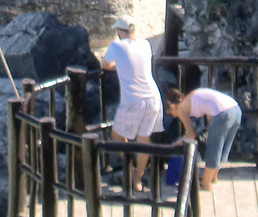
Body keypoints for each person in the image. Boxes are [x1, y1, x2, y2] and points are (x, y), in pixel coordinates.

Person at [99, 15, 162, 189]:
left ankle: (129, 167)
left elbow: (104, 65)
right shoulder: (145, 44)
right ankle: (137, 178)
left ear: (120, 31)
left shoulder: (116, 45)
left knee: (117, 135)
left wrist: (118, 66)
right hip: (153, 97)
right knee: (144, 139)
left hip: (133, 99)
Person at [166, 85, 242, 190]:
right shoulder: (192, 95)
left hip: (223, 113)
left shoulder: (182, 109)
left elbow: (191, 134)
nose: (174, 116)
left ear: (173, 106)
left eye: (170, 113)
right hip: (236, 110)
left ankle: (206, 184)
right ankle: (213, 177)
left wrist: (178, 142)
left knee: (213, 148)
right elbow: (209, 111)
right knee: (222, 146)